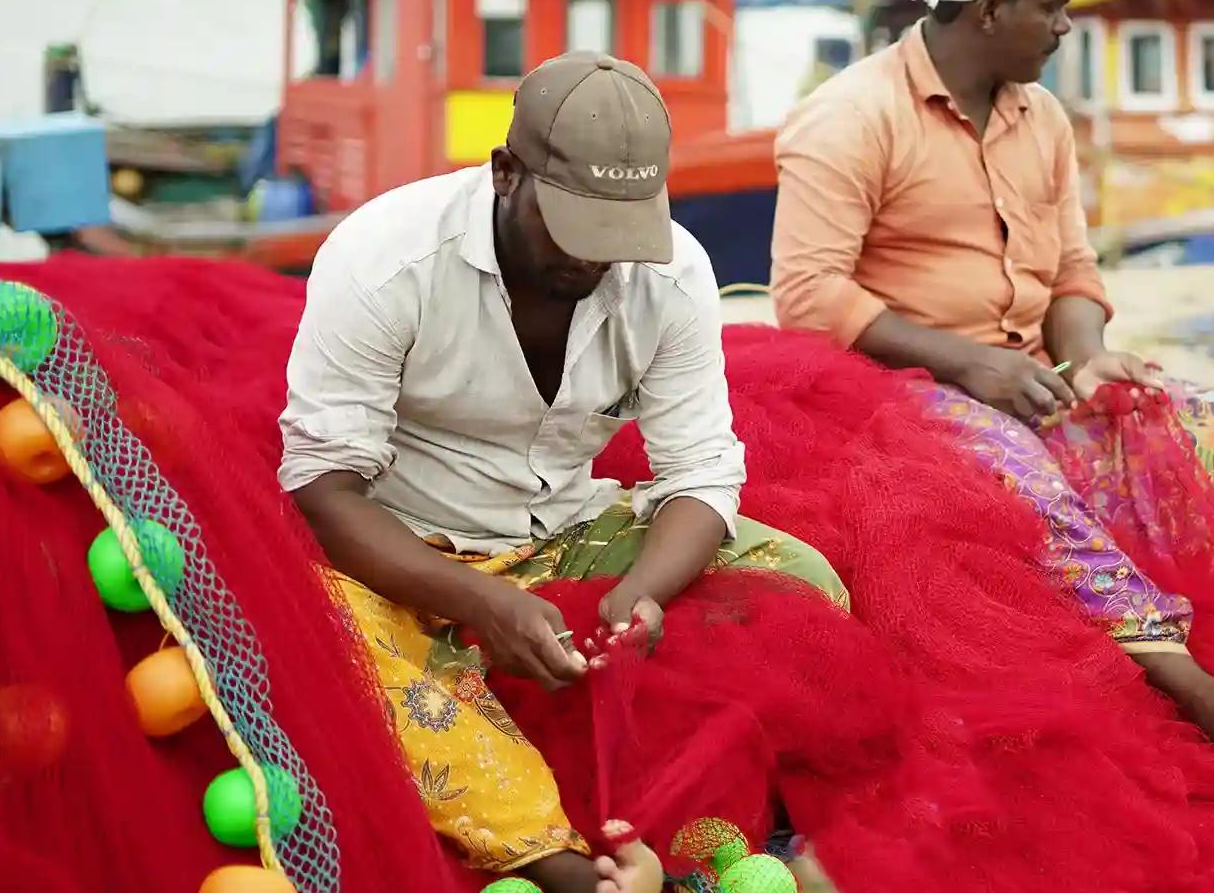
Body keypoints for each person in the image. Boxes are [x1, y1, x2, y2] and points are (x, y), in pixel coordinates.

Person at [279, 53, 846, 893]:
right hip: (402, 555)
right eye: (575, 232)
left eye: (621, 235)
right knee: (325, 638)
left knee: (804, 581)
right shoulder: (382, 260)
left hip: (571, 531)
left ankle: (750, 813)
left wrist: (644, 592)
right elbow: (325, 490)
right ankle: (561, 864)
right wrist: (477, 601)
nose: (595, 263)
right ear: (506, 173)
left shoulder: (671, 273)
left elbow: (701, 474)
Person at [770, 0, 1214, 760]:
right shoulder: (850, 115)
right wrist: (969, 364)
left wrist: (1090, 359)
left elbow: (1071, 268)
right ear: (990, 11)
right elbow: (805, 296)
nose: (1066, 25)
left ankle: (1074, 580)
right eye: (1053, 6)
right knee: (1030, 483)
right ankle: (1195, 690)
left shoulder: (1043, 116)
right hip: (896, 395)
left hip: (1033, 374)